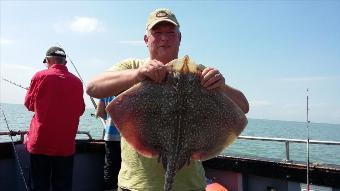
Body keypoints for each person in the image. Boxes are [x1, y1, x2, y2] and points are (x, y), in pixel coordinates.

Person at [86, 8, 249, 191]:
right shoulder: (132, 67)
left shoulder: (198, 73)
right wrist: (138, 75)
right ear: (146, 39)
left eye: (171, 33)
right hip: (137, 185)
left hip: (190, 186)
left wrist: (221, 86)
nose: (164, 38)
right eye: (157, 33)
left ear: (180, 38)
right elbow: (92, 87)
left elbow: (243, 107)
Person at [24, 46, 85, 191]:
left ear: (49, 60)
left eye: (45, 62)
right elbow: (80, 110)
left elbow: (29, 105)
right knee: (62, 186)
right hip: (65, 146)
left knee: (39, 185)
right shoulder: (77, 82)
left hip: (40, 143)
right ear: (64, 62)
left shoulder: (39, 76)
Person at [95, 96, 121, 191]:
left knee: (110, 167)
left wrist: (108, 119)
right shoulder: (130, 85)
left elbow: (99, 112)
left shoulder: (107, 91)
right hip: (128, 137)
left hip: (111, 136)